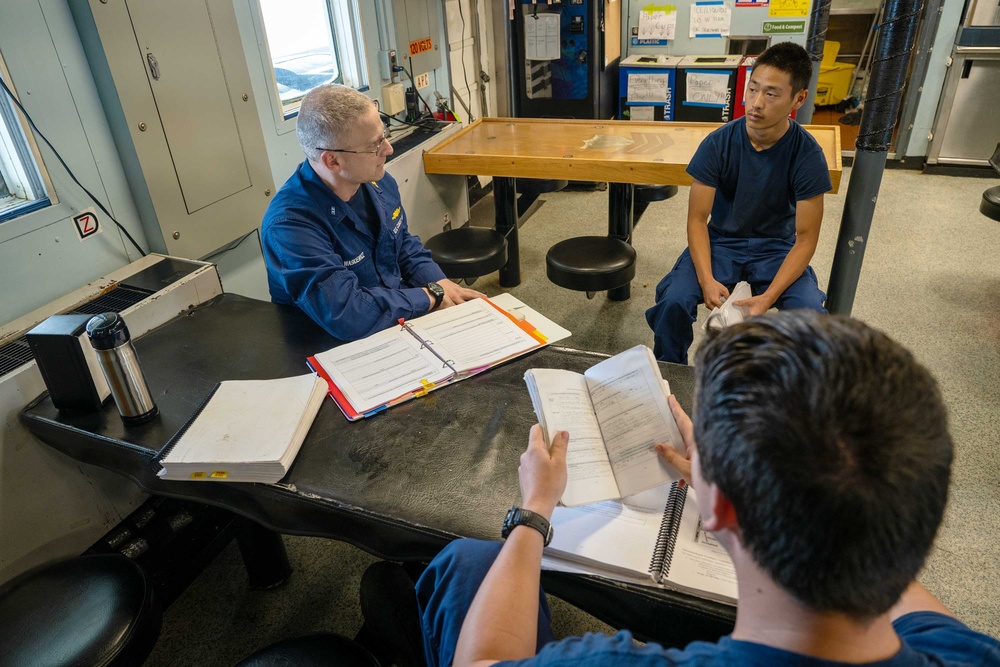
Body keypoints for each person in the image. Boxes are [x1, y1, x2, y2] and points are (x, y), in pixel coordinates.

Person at [414, 311, 1000, 666]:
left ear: (716, 507)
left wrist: (536, 510)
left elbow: (486, 659)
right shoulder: (971, 653)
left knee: (465, 563)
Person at [646, 42, 831, 364]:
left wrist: (769, 298)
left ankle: (797, 393)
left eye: (771, 94)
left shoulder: (807, 155)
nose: (756, 103)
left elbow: (806, 239)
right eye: (753, 89)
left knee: (812, 314)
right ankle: (670, 373)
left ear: (798, 99)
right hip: (721, 242)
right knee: (673, 301)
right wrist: (705, 279)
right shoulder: (718, 143)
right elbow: (696, 220)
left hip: (777, 247)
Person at [260, 84, 482, 342]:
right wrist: (430, 295)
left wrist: (443, 287)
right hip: (337, 344)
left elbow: (404, 247)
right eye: (374, 145)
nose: (388, 150)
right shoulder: (290, 225)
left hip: (395, 315)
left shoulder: (378, 182)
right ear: (333, 161)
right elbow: (347, 312)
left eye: (384, 135)